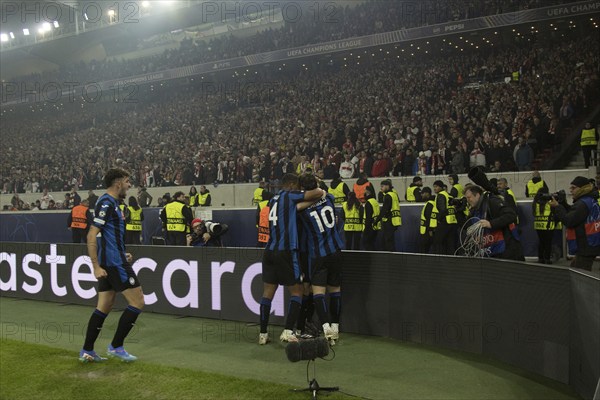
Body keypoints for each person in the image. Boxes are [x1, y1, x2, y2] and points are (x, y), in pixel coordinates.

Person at [79, 168, 144, 363]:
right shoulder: (107, 203)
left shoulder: (110, 202)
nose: (129, 185)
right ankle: (116, 347)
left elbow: (109, 235)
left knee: (104, 306)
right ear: (118, 183)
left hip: (114, 259)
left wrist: (121, 252)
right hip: (114, 263)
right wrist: (95, 266)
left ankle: (87, 351)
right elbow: (92, 234)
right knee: (138, 301)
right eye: (127, 181)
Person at [259, 173, 325, 345]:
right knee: (297, 292)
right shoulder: (289, 195)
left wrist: (308, 202)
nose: (299, 189)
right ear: (291, 184)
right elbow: (317, 193)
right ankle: (288, 331)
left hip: (269, 251)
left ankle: (263, 333)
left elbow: (296, 208)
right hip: (286, 251)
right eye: (297, 185)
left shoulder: (273, 200)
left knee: (267, 293)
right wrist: (322, 194)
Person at [297, 173, 344, 345]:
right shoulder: (329, 197)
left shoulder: (301, 209)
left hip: (318, 254)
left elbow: (295, 208)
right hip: (335, 251)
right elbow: (322, 193)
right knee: (335, 290)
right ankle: (336, 327)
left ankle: (326, 329)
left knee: (318, 293)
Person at [550, 176, 600, 271]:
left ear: (582, 188)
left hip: (585, 246)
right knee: (575, 270)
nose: (571, 190)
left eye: (573, 188)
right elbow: (575, 215)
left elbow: (569, 221)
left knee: (579, 276)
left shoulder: (582, 204)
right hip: (589, 244)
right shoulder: (588, 200)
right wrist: (563, 204)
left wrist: (557, 207)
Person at [463, 185, 524, 260]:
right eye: (466, 198)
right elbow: (467, 228)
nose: (468, 200)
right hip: (490, 252)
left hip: (507, 250)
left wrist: (491, 224)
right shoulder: (474, 210)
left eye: (469, 197)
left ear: (477, 195)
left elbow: (511, 215)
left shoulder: (492, 202)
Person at [532, 188, 561, 264]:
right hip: (548, 225)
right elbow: (555, 212)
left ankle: (540, 258)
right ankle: (547, 259)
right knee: (548, 243)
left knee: (541, 242)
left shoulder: (535, 203)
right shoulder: (549, 203)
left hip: (538, 225)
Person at [374, 179, 401, 252]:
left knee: (388, 240)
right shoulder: (394, 194)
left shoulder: (388, 196)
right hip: (395, 220)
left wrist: (377, 220)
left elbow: (384, 209)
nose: (381, 188)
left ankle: (389, 258)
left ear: (387, 186)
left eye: (382, 186)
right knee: (390, 240)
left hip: (389, 220)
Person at [432, 181, 457, 255]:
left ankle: (439, 260)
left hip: (444, 221)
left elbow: (442, 209)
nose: (435, 188)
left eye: (436, 186)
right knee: (450, 243)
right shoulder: (449, 195)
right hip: (452, 221)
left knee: (438, 242)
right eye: (434, 186)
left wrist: (439, 219)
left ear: (441, 187)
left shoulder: (440, 195)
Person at [418, 187, 437, 253]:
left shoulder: (429, 204)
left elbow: (429, 218)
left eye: (423, 193)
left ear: (427, 193)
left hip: (426, 231)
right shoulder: (433, 203)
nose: (421, 195)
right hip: (430, 230)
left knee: (424, 250)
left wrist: (430, 230)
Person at [362, 186, 381, 251]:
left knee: (367, 244)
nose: (363, 192)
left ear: (368, 192)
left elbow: (368, 217)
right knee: (372, 243)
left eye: (364, 190)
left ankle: (368, 260)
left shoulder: (368, 203)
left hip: (369, 227)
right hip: (375, 226)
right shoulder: (375, 201)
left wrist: (366, 229)